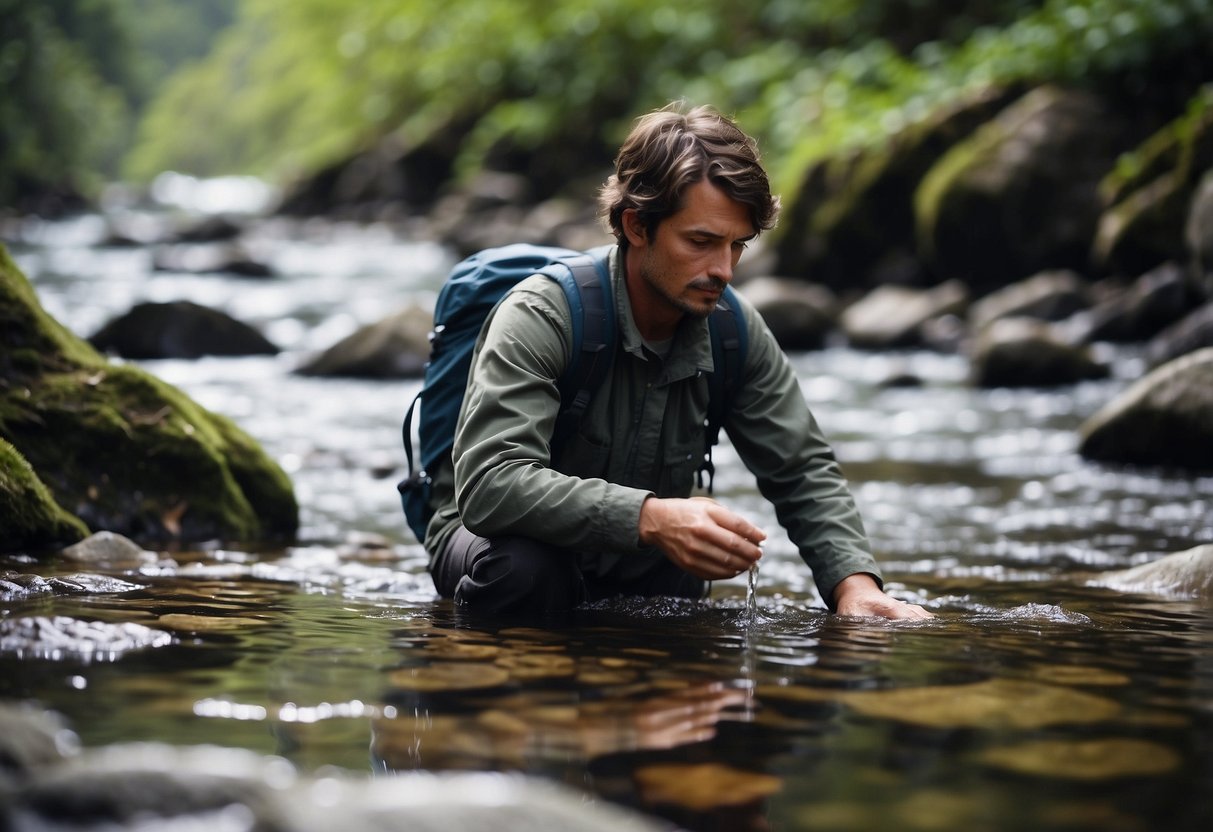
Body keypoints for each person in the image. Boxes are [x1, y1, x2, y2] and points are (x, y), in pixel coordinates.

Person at [424, 102, 932, 621]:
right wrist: (653, 518)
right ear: (637, 226)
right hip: (492, 542)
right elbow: (491, 485)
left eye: (738, 246)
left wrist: (856, 587)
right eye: (701, 242)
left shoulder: (734, 330)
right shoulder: (542, 315)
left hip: (637, 555)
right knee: (527, 569)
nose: (724, 270)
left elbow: (801, 468)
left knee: (682, 590)